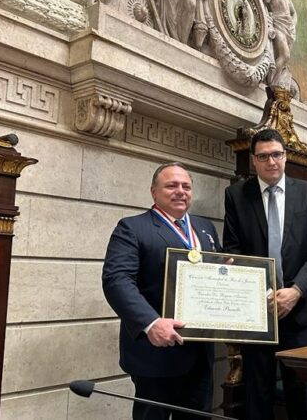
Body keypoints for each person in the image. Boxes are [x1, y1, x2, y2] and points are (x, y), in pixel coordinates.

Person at [223, 129, 307, 420]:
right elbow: (232, 249)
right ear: (254, 161)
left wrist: (295, 291)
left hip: (299, 312)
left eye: (276, 154)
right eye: (263, 156)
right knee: (257, 394)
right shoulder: (236, 195)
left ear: (285, 156)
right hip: (256, 312)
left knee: (301, 395)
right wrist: (262, 294)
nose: (271, 161)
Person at [102, 163, 219, 420]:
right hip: (155, 352)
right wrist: (150, 323)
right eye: (171, 185)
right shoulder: (132, 228)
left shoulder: (205, 229)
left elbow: (216, 280)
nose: (180, 191)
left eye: (186, 186)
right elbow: (117, 280)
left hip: (199, 353)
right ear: (154, 192)